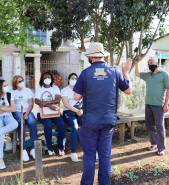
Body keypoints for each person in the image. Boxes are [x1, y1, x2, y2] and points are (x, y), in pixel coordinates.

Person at [73, 42, 132, 185]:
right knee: (105, 155)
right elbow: (129, 90)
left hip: (90, 122)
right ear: (103, 56)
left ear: (91, 57)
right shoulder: (115, 72)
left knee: (89, 156)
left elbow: (76, 97)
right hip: (108, 121)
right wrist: (126, 72)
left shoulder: (86, 73)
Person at [135, 57, 169, 156]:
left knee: (159, 127)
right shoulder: (148, 75)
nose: (150, 65)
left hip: (159, 105)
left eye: (151, 63)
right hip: (148, 104)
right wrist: (137, 62)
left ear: (157, 63)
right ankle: (154, 144)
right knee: (150, 125)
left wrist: (166, 104)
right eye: (149, 64)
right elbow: (137, 73)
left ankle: (161, 147)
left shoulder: (164, 74)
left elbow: (168, 89)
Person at [35, 72, 65, 156]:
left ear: (51, 79)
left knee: (61, 125)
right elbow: (36, 101)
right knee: (48, 125)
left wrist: (46, 102)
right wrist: (49, 105)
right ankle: (50, 148)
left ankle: (61, 147)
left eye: (49, 77)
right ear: (42, 79)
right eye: (45, 78)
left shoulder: (55, 88)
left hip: (55, 112)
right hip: (43, 112)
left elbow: (58, 100)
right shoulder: (40, 88)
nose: (47, 79)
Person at [9, 75, 37, 161]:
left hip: (27, 111)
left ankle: (33, 149)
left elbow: (31, 104)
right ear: (15, 83)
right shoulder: (11, 92)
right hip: (17, 112)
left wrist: (26, 114)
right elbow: (11, 105)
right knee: (22, 124)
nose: (22, 82)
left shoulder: (28, 91)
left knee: (32, 123)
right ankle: (23, 150)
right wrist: (21, 115)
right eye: (19, 81)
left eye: (22, 80)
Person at [61, 73, 83, 162]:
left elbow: (85, 102)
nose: (74, 80)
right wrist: (77, 111)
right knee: (74, 127)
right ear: (69, 80)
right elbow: (66, 104)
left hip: (80, 112)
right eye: (72, 78)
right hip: (68, 112)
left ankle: (93, 150)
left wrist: (82, 110)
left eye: (76, 78)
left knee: (89, 125)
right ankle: (73, 152)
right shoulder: (64, 90)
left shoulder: (81, 89)